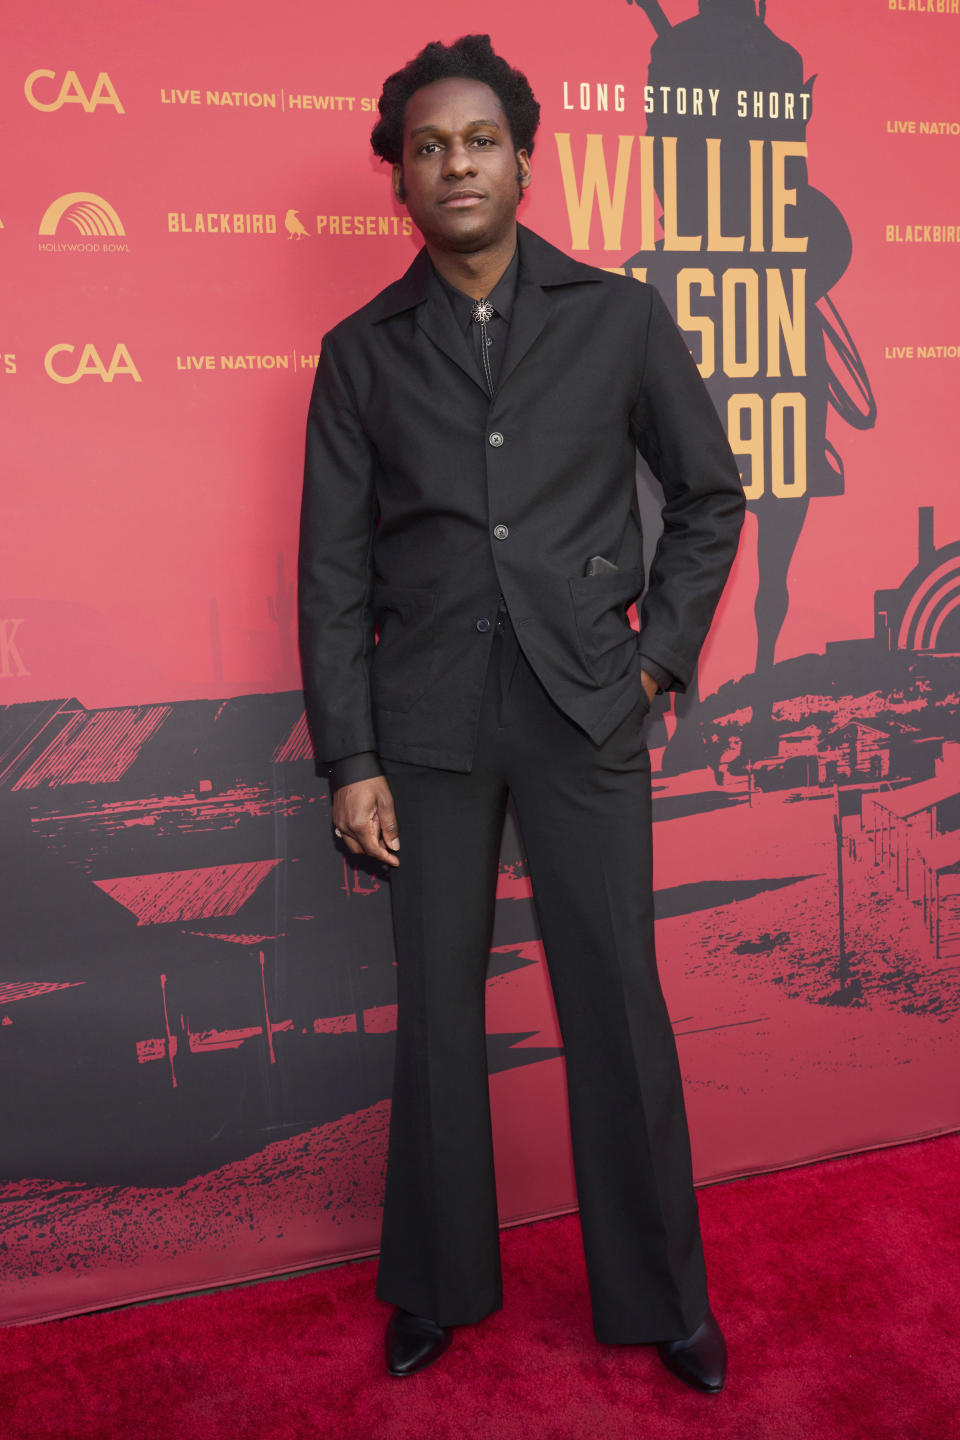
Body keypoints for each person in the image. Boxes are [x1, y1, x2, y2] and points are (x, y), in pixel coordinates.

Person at [297, 34, 746, 1393]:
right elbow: (331, 573)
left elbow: (712, 501)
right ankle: (437, 1286)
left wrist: (656, 665)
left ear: (525, 159)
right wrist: (351, 760)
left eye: (478, 140)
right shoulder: (362, 352)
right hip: (425, 725)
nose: (455, 164)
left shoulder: (618, 317)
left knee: (616, 999)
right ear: (402, 183)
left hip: (585, 709)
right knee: (436, 1015)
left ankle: (664, 1295)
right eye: (428, 147)